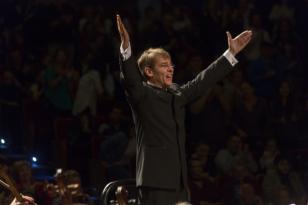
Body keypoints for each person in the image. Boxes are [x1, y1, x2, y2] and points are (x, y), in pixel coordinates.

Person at [116, 14, 252, 205]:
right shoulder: (142, 94)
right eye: (164, 66)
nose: (170, 69)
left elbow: (202, 81)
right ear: (148, 72)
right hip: (154, 182)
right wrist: (126, 47)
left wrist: (230, 53)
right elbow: (130, 78)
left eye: (170, 64)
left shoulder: (177, 93)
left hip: (180, 182)